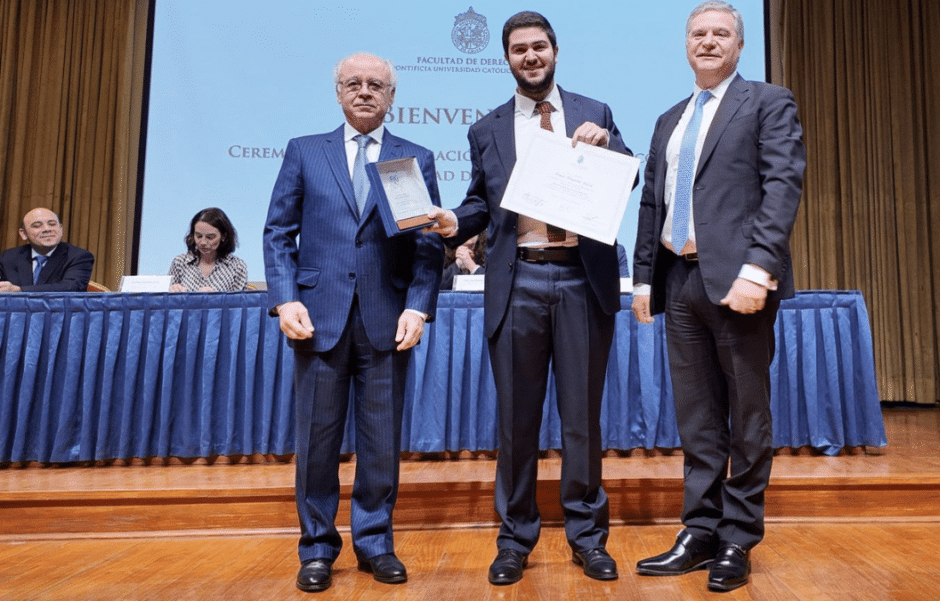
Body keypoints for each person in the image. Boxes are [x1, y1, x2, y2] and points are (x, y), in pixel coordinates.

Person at [425, 10, 632, 586]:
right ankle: (514, 539)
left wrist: (607, 145)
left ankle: (588, 538)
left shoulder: (596, 112)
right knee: (516, 424)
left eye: (539, 47)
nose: (530, 57)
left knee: (581, 423)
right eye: (519, 50)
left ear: (556, 51)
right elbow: (480, 206)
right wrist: (451, 222)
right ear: (507, 58)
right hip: (517, 285)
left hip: (581, 281)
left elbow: (628, 177)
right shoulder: (486, 128)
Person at [631, 1, 805, 593]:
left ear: (739, 45)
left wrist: (760, 268)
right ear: (686, 44)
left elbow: (782, 186)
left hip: (739, 285)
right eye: (699, 33)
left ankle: (737, 537)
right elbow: (652, 202)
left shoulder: (768, 101)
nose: (709, 42)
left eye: (721, 33)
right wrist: (645, 279)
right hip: (679, 283)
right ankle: (699, 531)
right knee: (698, 419)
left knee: (747, 417)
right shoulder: (668, 119)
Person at [262, 52, 443, 592]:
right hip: (317, 319)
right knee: (317, 441)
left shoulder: (415, 157)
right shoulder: (303, 152)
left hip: (388, 320)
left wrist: (418, 304)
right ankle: (317, 548)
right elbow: (277, 233)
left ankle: (375, 543)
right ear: (338, 92)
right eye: (354, 84)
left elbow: (426, 246)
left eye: (376, 85)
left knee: (381, 441)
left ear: (392, 97)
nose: (365, 92)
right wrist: (285, 297)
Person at [0, 207, 94, 293]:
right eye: (37, 226)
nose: (46, 229)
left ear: (61, 230)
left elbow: (72, 287)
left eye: (52, 224)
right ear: (23, 233)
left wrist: (19, 290)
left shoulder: (79, 256)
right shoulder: (8, 257)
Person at [168, 207, 248, 292]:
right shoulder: (180, 263)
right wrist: (172, 292)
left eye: (210, 237)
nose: (203, 242)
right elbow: (164, 301)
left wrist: (215, 299)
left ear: (223, 236)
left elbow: (238, 303)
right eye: (198, 236)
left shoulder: (237, 267)